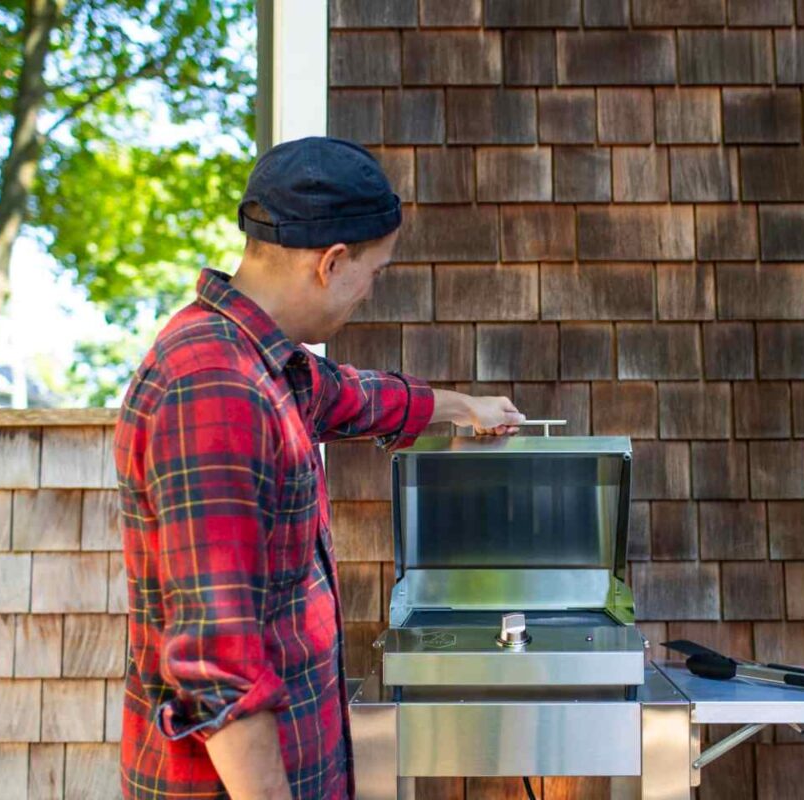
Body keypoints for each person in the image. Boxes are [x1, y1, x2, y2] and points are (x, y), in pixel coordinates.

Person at [113, 136, 524, 800]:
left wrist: (462, 407)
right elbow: (219, 670)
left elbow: (351, 396)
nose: (371, 290)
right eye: (376, 271)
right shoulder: (215, 388)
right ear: (332, 262)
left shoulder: (267, 365)